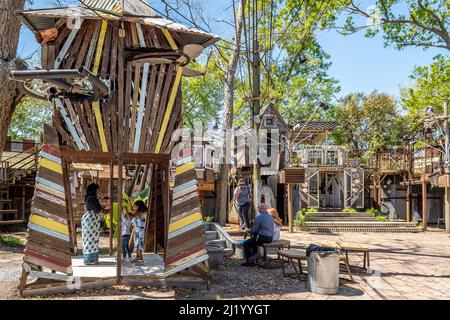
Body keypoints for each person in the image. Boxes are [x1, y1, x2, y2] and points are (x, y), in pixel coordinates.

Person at [81, 183, 106, 265]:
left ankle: (90, 259)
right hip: (90, 222)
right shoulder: (91, 198)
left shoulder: (90, 197)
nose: (99, 191)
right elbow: (97, 210)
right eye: (97, 190)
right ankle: (90, 260)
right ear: (94, 190)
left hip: (90, 222)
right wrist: (105, 211)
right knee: (91, 241)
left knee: (90, 240)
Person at [131, 200, 147, 264]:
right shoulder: (143, 212)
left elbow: (130, 217)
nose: (133, 206)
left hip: (139, 230)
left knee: (139, 244)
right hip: (139, 230)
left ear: (138, 206)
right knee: (138, 244)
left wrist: (126, 210)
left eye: (134, 205)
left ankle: (140, 259)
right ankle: (138, 257)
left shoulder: (139, 212)